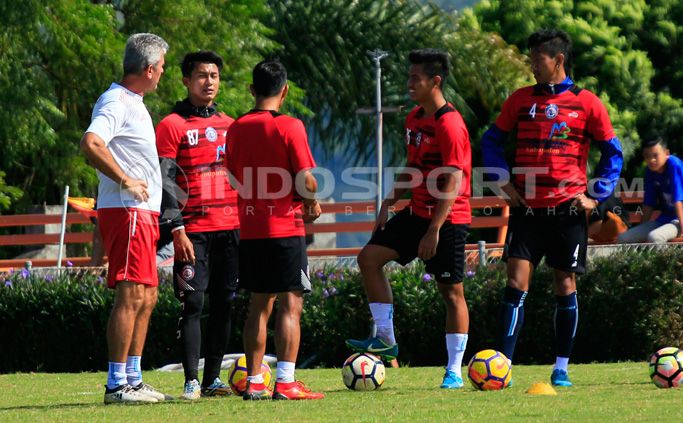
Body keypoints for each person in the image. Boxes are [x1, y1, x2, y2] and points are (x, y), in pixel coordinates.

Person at [481, 29, 624, 387]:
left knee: (565, 284)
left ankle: (561, 367)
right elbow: (491, 141)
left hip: (567, 212)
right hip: (527, 210)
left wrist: (597, 197)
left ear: (557, 60)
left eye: (536, 60)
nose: (531, 66)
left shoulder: (588, 103)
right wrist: (501, 180)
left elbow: (613, 153)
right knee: (515, 284)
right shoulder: (519, 100)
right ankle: (503, 367)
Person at [346, 49, 472, 389]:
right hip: (416, 214)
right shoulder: (414, 119)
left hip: (448, 220)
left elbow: (453, 180)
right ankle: (386, 340)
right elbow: (414, 168)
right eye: (409, 77)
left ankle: (454, 371)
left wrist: (433, 230)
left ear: (435, 81)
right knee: (368, 258)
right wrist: (389, 202)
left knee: (451, 292)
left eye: (415, 79)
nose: (409, 84)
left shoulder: (451, 124)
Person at [79, 33, 172, 404]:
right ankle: (117, 384)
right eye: (162, 67)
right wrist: (125, 179)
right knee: (131, 293)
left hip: (142, 213)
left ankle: (133, 378)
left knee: (147, 295)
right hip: (127, 210)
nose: (162, 73)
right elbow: (91, 143)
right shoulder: (116, 100)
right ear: (148, 69)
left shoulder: (135, 102)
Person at [225, 59, 324, 401]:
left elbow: (234, 177)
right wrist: (311, 201)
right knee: (290, 305)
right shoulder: (290, 126)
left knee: (258, 307)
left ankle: (254, 383)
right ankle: (285, 382)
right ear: (284, 91)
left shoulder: (235, 128)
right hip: (285, 227)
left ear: (252, 90)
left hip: (250, 230)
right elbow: (306, 177)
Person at [156, 51, 239, 400]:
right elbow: (164, 180)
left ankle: (213, 380)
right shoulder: (171, 125)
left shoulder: (231, 124)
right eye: (202, 75)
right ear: (186, 81)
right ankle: (191, 380)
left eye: (215, 76)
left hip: (231, 228)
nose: (209, 82)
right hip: (193, 232)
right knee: (193, 303)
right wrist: (177, 230)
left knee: (225, 303)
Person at [617, 137, 683, 243]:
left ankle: (664, 260)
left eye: (655, 155)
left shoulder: (674, 165)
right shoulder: (650, 171)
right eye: (647, 156)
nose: (651, 160)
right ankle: (639, 260)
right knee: (623, 238)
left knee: (655, 237)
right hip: (666, 219)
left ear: (666, 153)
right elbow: (648, 203)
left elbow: (678, 198)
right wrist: (641, 230)